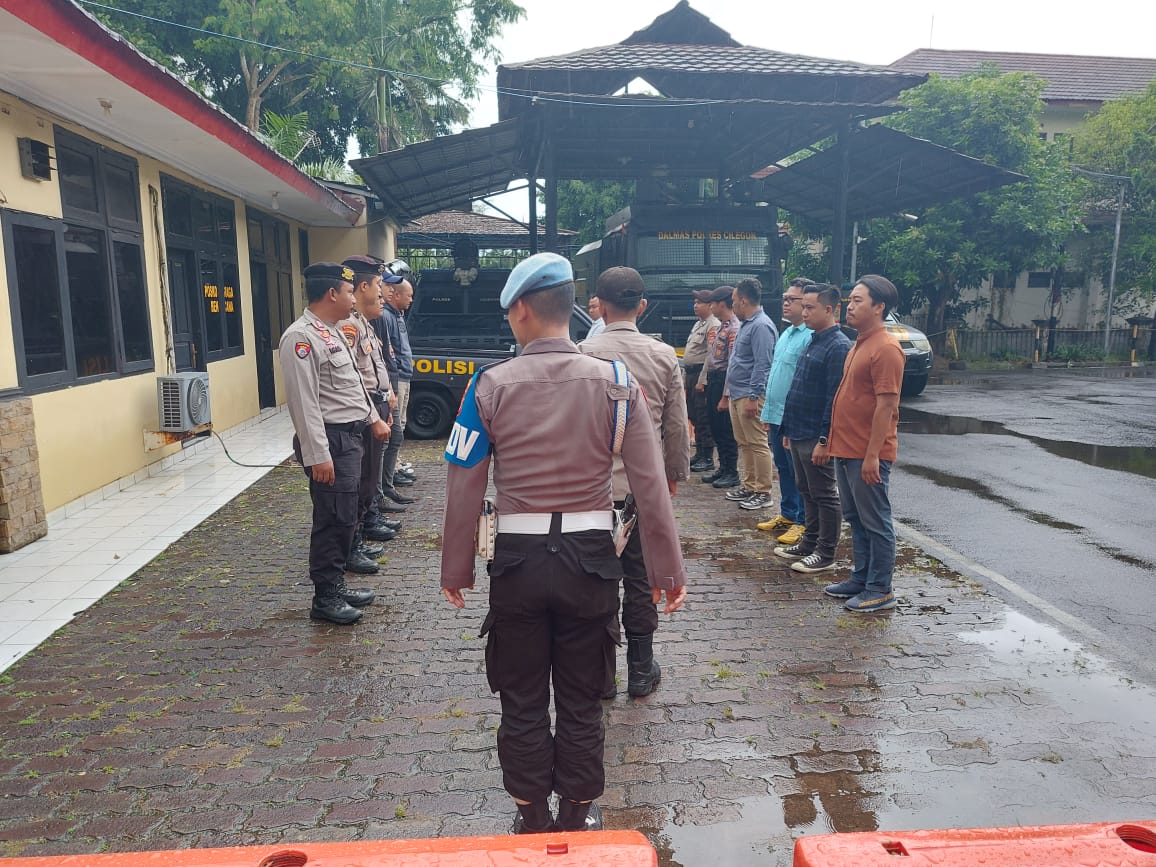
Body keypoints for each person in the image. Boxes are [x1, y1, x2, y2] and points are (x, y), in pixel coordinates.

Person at [440, 252, 686, 834]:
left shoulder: (487, 386)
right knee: (582, 696)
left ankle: (530, 813)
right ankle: (578, 811)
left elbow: (463, 482)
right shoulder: (619, 385)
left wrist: (456, 568)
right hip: (592, 562)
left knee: (521, 696)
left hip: (518, 564)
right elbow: (651, 486)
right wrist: (666, 571)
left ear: (521, 310)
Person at [579, 266, 690, 698]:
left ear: (600, 306)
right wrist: (672, 475)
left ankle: (601, 675)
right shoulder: (663, 356)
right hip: (643, 490)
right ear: (642, 306)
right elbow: (676, 427)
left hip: (591, 492)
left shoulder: (581, 353)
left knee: (597, 579)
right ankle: (641, 671)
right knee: (642, 578)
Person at [278, 262, 390, 625]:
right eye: (348, 292)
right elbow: (304, 402)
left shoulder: (332, 332)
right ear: (331, 294)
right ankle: (325, 597)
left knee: (346, 516)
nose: (353, 299)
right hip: (331, 441)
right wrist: (317, 454)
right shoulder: (300, 338)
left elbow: (354, 384)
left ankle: (336, 584)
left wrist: (373, 419)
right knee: (333, 519)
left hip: (350, 438)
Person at [823, 275, 906, 613]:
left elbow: (887, 406)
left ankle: (880, 588)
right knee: (856, 519)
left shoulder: (886, 348)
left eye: (858, 300)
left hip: (867, 453)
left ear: (879, 306)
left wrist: (873, 456)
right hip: (846, 449)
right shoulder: (859, 343)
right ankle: (861, 578)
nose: (850, 306)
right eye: (850, 300)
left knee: (876, 522)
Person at [776, 283, 852, 574]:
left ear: (829, 309)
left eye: (810, 307)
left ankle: (825, 552)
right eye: (803, 306)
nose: (804, 312)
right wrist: (787, 429)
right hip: (798, 430)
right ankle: (809, 542)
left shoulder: (838, 346)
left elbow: (834, 398)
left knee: (824, 493)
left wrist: (825, 439)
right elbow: (798, 387)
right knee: (805, 489)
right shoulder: (814, 340)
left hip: (814, 434)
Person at [338, 256, 400, 576]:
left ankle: (360, 535)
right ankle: (354, 543)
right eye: (377, 284)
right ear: (362, 286)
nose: (382, 291)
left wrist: (387, 397)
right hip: (363, 411)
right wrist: (374, 412)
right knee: (360, 481)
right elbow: (352, 377)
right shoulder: (348, 326)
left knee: (368, 477)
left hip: (375, 405)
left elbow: (374, 368)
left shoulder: (363, 323)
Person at [757, 278, 814, 542]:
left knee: (798, 471)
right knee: (782, 466)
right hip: (776, 414)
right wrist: (768, 413)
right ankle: (788, 513)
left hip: (794, 417)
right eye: (785, 298)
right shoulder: (786, 333)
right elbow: (776, 374)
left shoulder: (809, 336)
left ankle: (803, 520)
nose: (786, 303)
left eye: (793, 299)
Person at [724, 278, 778, 511]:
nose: (733, 305)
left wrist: (754, 397)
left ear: (744, 301)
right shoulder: (747, 324)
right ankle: (750, 485)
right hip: (738, 393)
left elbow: (762, 364)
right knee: (744, 443)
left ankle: (763, 491)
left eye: (734, 300)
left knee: (757, 443)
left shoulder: (761, 326)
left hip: (750, 394)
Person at [379, 276, 416, 504]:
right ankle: (388, 478)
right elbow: (388, 352)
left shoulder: (398, 315)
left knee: (399, 426)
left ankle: (392, 472)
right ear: (396, 294)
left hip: (404, 376)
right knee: (394, 432)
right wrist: (393, 384)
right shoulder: (386, 316)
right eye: (408, 295)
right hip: (397, 379)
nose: (411, 300)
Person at [701, 285, 739, 489]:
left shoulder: (734, 328)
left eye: (713, 303)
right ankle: (723, 467)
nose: (711, 307)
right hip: (714, 379)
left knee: (725, 429)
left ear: (722, 304)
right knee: (715, 426)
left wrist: (726, 395)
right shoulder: (722, 327)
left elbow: (732, 363)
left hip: (724, 379)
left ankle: (731, 471)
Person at [684, 289, 719, 473]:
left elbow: (710, 355)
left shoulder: (713, 325)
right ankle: (699, 453)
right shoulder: (699, 324)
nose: (695, 306)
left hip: (700, 374)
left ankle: (707, 456)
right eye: (694, 302)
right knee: (694, 414)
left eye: (699, 302)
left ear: (710, 305)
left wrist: (702, 380)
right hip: (691, 374)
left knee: (703, 416)